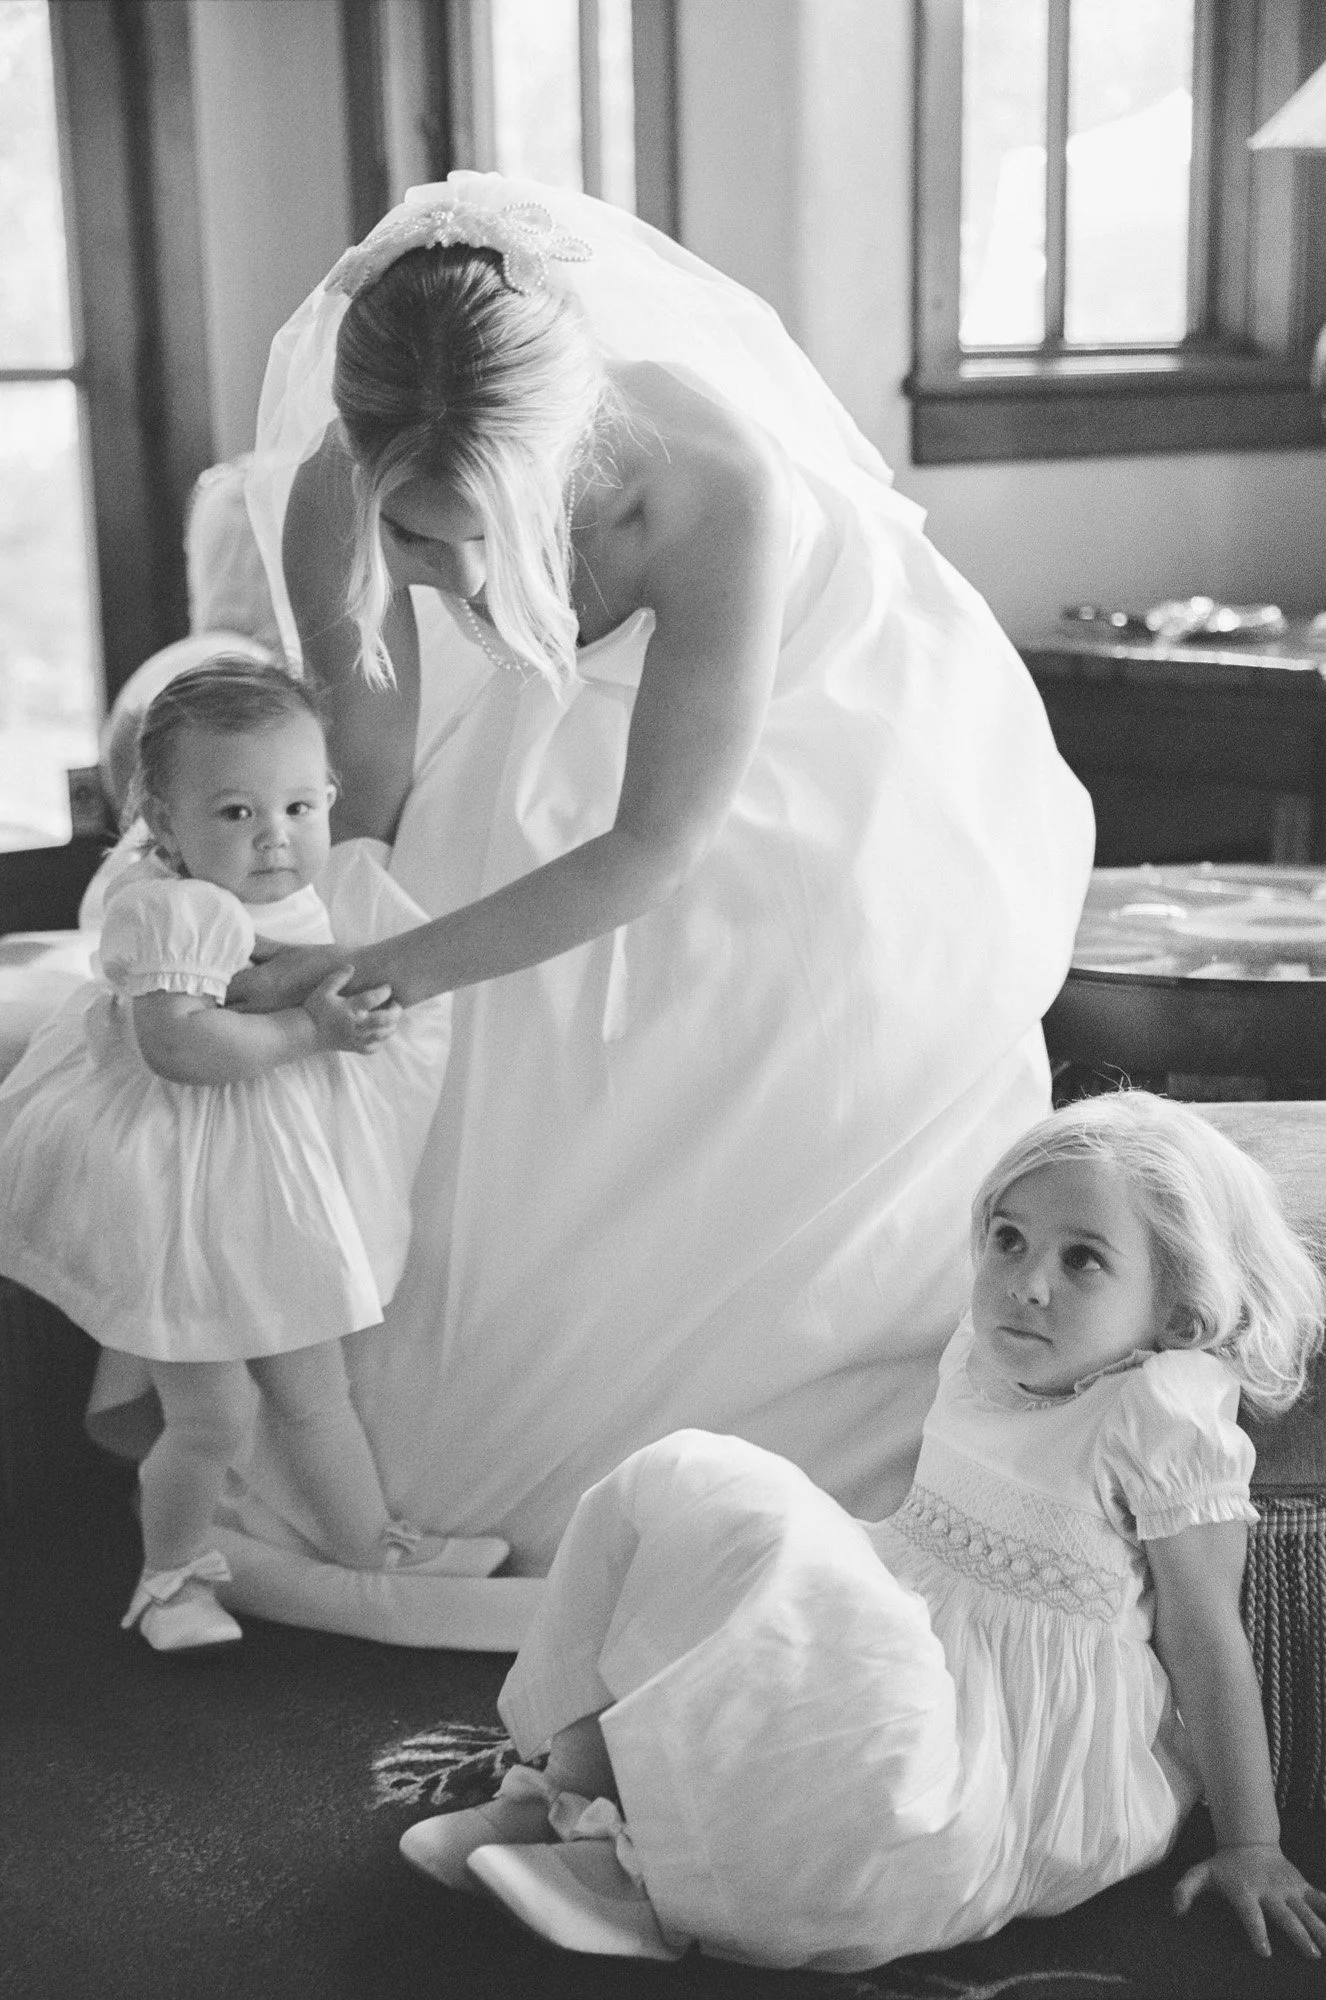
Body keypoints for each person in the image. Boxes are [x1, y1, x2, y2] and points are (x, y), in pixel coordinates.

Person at [224, 173, 1095, 1618]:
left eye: (476, 533)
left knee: (754, 991)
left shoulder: (711, 481)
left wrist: (395, 976)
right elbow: (365, 744)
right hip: (560, 746)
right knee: (471, 1061)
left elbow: (656, 843)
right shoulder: (338, 486)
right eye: (417, 540)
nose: (449, 574)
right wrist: (308, 933)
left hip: (796, 748)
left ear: (563, 452)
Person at [397, 1091, 1326, 1971]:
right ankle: (574, 1792)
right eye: (1008, 1240)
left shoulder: (1160, 1416)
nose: (1027, 1283)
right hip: (912, 1634)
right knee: (682, 1482)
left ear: (1178, 1307)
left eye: (1083, 1259)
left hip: (1015, 1758)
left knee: (858, 1781)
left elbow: (1208, 1638)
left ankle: (657, 1882)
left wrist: (1254, 1841)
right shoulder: (979, 1357)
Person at [0, 662, 506, 1653]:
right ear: (162, 819)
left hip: (268, 1190)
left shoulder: (301, 892)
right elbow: (181, 1047)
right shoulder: (177, 909)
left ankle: (371, 1547)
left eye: (299, 803)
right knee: (215, 1414)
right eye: (236, 810)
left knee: (317, 1391)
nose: (276, 833)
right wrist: (311, 1034)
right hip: (185, 1197)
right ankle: (168, 1575)